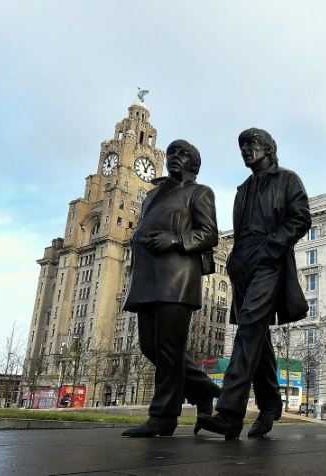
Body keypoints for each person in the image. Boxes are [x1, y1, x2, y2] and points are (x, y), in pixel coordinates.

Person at [196, 128, 311, 439]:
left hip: (269, 260)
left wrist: (273, 244)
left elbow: (301, 218)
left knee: (248, 327)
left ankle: (230, 412)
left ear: (268, 148)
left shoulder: (288, 179)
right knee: (257, 335)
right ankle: (271, 402)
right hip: (242, 264)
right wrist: (234, 259)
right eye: (242, 146)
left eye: (252, 144)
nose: (246, 150)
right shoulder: (242, 189)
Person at [121, 139, 221, 437]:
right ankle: (202, 387)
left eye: (184, 154)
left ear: (195, 163)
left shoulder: (200, 192)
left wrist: (175, 239)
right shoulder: (151, 196)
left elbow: (209, 233)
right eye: (172, 153)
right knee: (150, 346)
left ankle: (163, 417)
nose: (175, 158)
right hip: (147, 277)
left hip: (177, 277)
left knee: (168, 347)